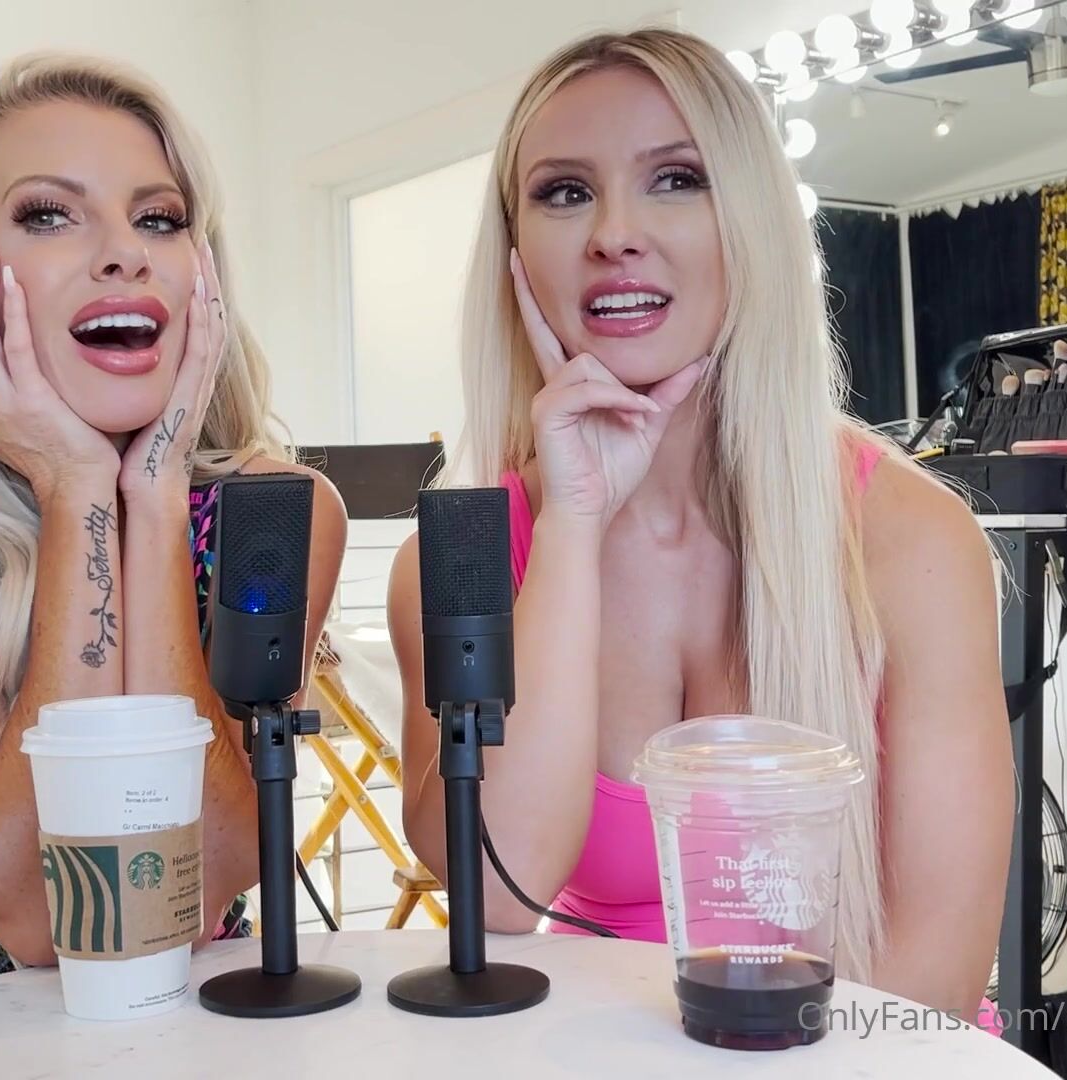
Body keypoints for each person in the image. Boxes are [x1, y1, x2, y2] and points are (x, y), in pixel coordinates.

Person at [386, 28, 1012, 1016]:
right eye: (564, 192)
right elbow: (500, 896)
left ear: (750, 219)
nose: (614, 233)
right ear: (514, 253)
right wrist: (572, 525)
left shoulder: (913, 542)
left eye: (675, 179)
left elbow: (934, 980)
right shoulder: (458, 562)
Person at [0, 54, 345, 1000]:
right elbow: (42, 920)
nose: (126, 252)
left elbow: (204, 882)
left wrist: (154, 501)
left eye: (159, 218)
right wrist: (77, 485)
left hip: (209, 1034)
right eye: (49, 214)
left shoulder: (278, 513)